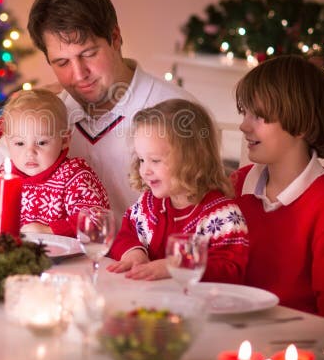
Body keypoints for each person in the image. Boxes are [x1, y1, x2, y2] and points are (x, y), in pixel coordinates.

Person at [0, 0, 193, 226]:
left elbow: (197, 218)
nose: (79, 74)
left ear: (116, 38)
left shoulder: (177, 110)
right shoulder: (46, 113)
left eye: (88, 54)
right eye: (61, 62)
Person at [231, 55, 324, 325]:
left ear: (301, 125)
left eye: (258, 116)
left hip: (296, 347)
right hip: (234, 329)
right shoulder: (237, 184)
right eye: (245, 113)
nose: (244, 125)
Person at [106, 99, 249, 282]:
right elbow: (127, 233)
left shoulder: (222, 216)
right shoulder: (148, 204)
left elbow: (231, 271)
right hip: (148, 304)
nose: (145, 170)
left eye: (155, 160)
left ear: (192, 159)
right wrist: (134, 252)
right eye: (141, 160)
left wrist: (175, 265)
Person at [0, 88, 109, 236]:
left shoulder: (74, 175)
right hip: (15, 253)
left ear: (64, 140)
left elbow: (96, 218)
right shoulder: (5, 175)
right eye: (20, 143)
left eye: (41, 142)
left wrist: (51, 230)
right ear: (8, 143)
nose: (30, 152)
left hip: (69, 256)